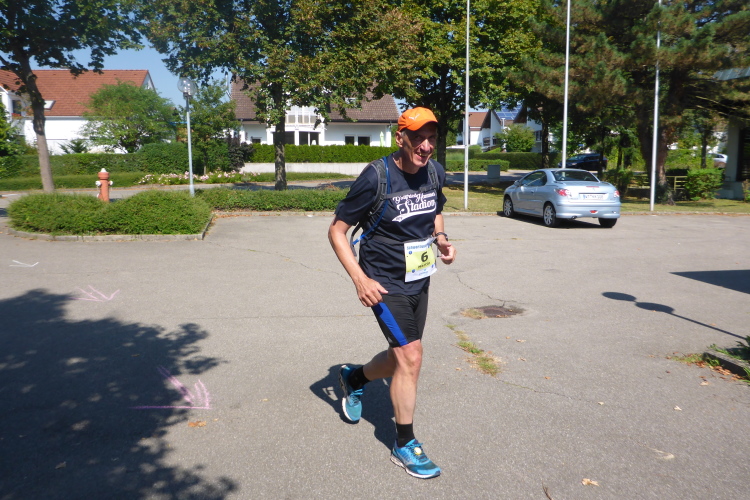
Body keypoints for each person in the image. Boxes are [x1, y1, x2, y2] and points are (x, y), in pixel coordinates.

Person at [328, 107, 456, 479]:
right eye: (417, 137)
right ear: (400, 138)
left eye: (431, 138)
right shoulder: (377, 176)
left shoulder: (435, 172)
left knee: (400, 357)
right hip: (384, 283)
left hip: (420, 279)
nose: (425, 146)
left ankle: (354, 378)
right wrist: (360, 280)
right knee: (411, 356)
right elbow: (337, 231)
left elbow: (435, 210)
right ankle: (404, 443)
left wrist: (441, 238)